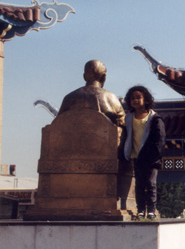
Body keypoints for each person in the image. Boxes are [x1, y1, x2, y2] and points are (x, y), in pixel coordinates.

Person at [123, 86, 166, 220]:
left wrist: (155, 156)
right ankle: (141, 209)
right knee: (139, 185)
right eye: (132, 98)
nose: (135, 100)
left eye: (138, 97)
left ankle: (151, 210)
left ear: (146, 100)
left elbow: (160, 139)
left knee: (151, 184)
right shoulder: (128, 118)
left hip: (151, 157)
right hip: (137, 156)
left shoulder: (154, 118)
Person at [58, 60, 125, 126]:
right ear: (103, 77)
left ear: (84, 77)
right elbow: (124, 124)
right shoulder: (111, 98)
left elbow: (56, 125)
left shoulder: (68, 98)